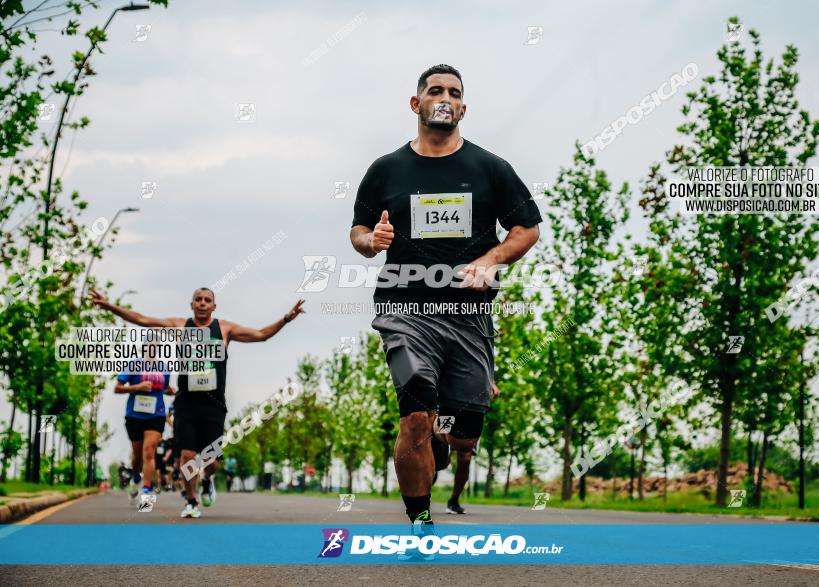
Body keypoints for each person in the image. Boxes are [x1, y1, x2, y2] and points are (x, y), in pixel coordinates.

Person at [349, 64, 541, 557]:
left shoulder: (490, 168)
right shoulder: (386, 169)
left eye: (454, 93)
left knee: (458, 432)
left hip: (469, 318)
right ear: (416, 104)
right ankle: (421, 522)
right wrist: (374, 240)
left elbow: (527, 229)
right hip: (404, 309)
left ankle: (439, 434)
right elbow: (358, 233)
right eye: (435, 90)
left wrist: (491, 258)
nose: (445, 98)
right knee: (415, 413)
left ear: (463, 108)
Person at [90, 287, 306, 518]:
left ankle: (207, 479)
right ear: (191, 305)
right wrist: (109, 306)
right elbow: (143, 320)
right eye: (198, 300)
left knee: (211, 461)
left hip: (213, 405)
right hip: (186, 403)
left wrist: (285, 319)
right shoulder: (180, 327)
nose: (203, 303)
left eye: (207, 300)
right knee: (187, 456)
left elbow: (261, 334)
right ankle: (191, 501)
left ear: (214, 306)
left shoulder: (225, 329)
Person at [115, 360, 174, 508]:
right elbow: (117, 388)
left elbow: (164, 388)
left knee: (149, 452)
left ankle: (146, 492)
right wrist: (138, 387)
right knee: (137, 456)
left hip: (156, 415)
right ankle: (135, 477)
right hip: (134, 415)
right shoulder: (134, 365)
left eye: (157, 345)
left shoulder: (164, 368)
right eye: (150, 344)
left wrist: (169, 391)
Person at [445, 382, 500, 514]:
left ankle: (454, 500)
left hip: (472, 409)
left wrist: (491, 383)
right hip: (446, 406)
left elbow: (485, 367)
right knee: (440, 456)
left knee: (466, 457)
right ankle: (421, 496)